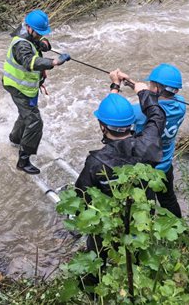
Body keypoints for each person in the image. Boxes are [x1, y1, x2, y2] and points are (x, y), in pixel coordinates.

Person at [75, 71, 165, 265]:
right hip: (142, 218)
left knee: (99, 254)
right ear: (131, 123)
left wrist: (115, 87)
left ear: (102, 127)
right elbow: (156, 115)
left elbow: (82, 196)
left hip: (110, 225)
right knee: (139, 252)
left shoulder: (96, 162)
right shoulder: (149, 144)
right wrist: (141, 91)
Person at [2, 9, 70, 175]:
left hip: (25, 87)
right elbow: (29, 61)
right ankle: (23, 161)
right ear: (29, 28)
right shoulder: (20, 44)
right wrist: (53, 61)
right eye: (38, 33)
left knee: (25, 115)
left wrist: (43, 44)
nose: (40, 35)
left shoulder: (27, 32)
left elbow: (34, 44)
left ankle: (15, 139)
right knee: (35, 122)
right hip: (18, 87)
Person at [132, 64, 185, 218]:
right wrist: (133, 84)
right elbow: (153, 101)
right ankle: (178, 231)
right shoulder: (181, 105)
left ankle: (147, 232)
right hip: (165, 165)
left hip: (144, 170)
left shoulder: (139, 112)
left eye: (151, 84)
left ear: (155, 89)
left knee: (145, 206)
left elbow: (118, 117)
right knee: (168, 200)